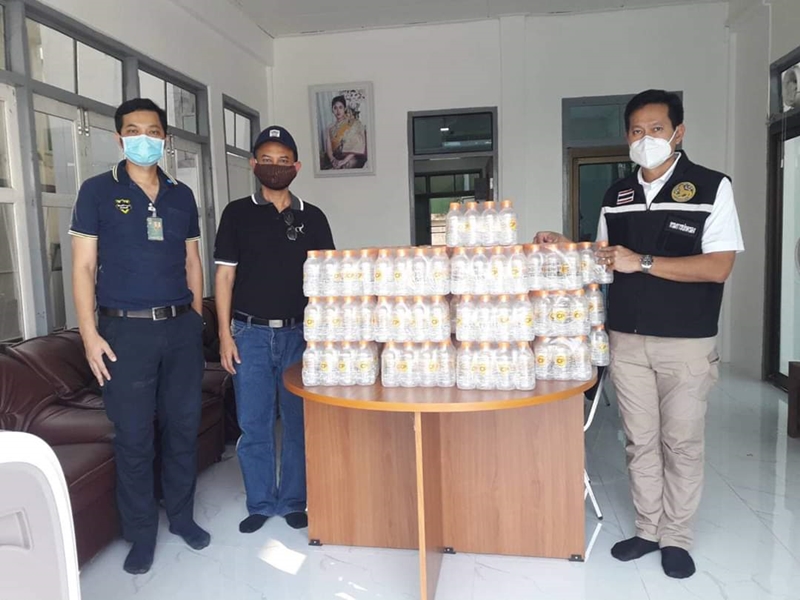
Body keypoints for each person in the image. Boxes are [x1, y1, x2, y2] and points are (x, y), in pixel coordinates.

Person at [536, 89, 744, 579]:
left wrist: (644, 262)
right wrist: (567, 246)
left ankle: (677, 537)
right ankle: (649, 530)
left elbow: (718, 266)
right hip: (626, 339)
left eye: (656, 129)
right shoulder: (618, 194)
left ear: (678, 133)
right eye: (636, 130)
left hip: (685, 341)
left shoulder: (711, 186)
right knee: (640, 441)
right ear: (627, 137)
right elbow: (605, 261)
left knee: (681, 443)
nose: (645, 138)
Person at [70, 98, 209, 575]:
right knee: (133, 437)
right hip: (124, 332)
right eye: (133, 131)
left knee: (182, 427)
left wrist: (195, 319)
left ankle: (183, 518)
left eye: (152, 131)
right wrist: (89, 335)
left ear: (165, 138)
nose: (143, 139)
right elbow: (83, 267)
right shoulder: (96, 191)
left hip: (180, 327)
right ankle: (141, 533)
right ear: (119, 138)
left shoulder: (181, 195)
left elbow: (192, 262)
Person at [214, 126, 335, 534]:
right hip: (248, 334)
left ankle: (295, 500)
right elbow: (224, 278)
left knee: (299, 421)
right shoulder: (236, 214)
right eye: (266, 159)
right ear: (253, 164)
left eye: (283, 161)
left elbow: (327, 279)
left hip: (301, 335)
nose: (275, 167)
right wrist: (224, 335)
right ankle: (261, 502)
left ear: (296, 167)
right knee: (255, 422)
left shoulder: (313, 217)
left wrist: (326, 337)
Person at [324, 95, 367, 170]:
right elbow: (329, 149)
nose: (338, 111)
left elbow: (357, 145)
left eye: (340, 107)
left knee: (347, 165)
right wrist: (332, 160)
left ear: (345, 109)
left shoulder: (353, 123)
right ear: (332, 110)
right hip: (337, 157)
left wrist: (343, 161)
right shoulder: (329, 128)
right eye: (335, 108)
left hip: (352, 156)